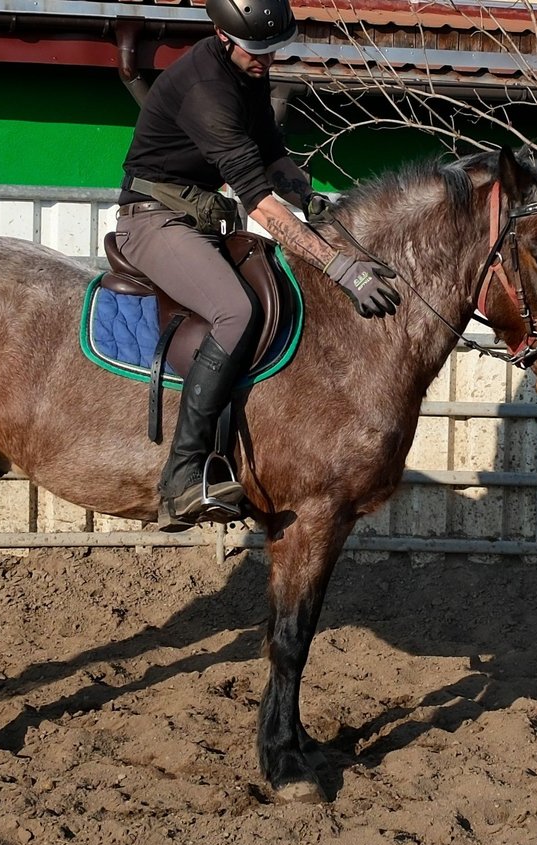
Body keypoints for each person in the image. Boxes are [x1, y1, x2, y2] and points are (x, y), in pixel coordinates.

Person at [116, 0, 400, 531]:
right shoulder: (206, 90)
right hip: (152, 219)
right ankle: (182, 476)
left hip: (200, 221)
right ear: (222, 35)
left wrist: (315, 202)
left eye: (272, 50)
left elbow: (274, 161)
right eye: (256, 50)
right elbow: (261, 205)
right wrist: (340, 268)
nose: (267, 60)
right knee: (236, 310)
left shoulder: (247, 74)